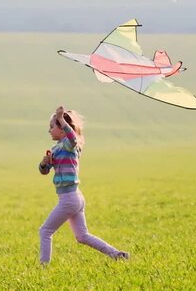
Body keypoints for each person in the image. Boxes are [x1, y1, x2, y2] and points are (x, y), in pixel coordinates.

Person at [38, 105, 129, 264]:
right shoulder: (57, 148)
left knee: (45, 231)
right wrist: (44, 163)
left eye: (52, 126)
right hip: (74, 197)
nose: (49, 130)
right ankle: (117, 255)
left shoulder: (69, 145)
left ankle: (43, 267)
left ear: (62, 128)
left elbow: (72, 138)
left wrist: (60, 119)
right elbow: (44, 171)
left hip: (69, 199)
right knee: (82, 236)